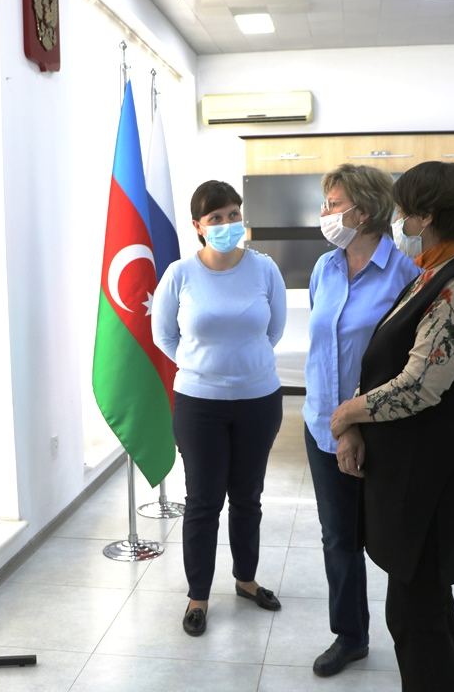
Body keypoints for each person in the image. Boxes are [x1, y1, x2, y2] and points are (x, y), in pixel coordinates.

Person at [330, 161, 454, 691]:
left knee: (414, 616)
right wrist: (356, 421)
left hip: (435, 478)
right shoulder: (430, 273)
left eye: (405, 210)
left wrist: (346, 414)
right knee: (425, 609)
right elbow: (388, 362)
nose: (398, 219)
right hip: (414, 471)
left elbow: (418, 385)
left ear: (427, 217)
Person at [151, 180, 287, 637]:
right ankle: (198, 596)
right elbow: (164, 336)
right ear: (198, 226)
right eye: (216, 218)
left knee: (248, 497)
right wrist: (203, 367)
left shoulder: (264, 269)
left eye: (233, 214)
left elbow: (274, 331)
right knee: (204, 502)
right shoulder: (180, 274)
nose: (228, 224)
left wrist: (242, 368)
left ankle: (246, 580)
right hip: (199, 404)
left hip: (258, 400)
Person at [303, 164, 419, 676]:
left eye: (332, 204)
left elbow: (404, 361)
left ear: (363, 211)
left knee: (394, 535)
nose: (325, 214)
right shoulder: (323, 269)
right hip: (320, 426)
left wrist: (357, 422)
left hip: (381, 432)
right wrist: (333, 422)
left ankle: (415, 631)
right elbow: (325, 346)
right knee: (339, 537)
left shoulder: (407, 276)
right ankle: (350, 635)